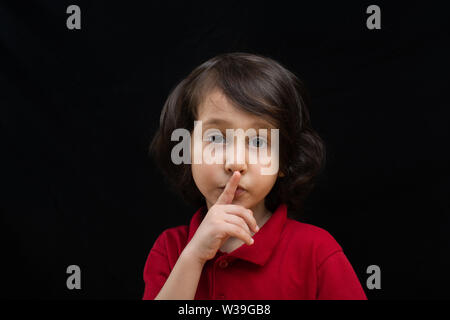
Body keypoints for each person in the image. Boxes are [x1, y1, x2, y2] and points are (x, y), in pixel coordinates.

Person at [142, 52, 367, 300]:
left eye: (259, 141)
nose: (236, 163)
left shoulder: (316, 252)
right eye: (216, 138)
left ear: (284, 160)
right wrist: (193, 257)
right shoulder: (170, 249)